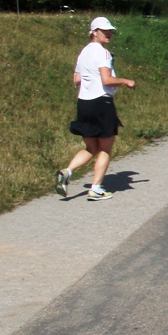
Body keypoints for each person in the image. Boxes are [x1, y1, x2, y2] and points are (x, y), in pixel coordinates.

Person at [54, 16, 136, 201]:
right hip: (101, 103)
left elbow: (76, 80)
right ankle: (96, 188)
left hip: (84, 103)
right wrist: (125, 81)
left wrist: (91, 79)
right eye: (104, 30)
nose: (108, 33)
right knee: (105, 148)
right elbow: (107, 80)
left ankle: (67, 172)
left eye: (110, 31)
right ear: (94, 32)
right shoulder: (103, 53)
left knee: (91, 147)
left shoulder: (83, 53)